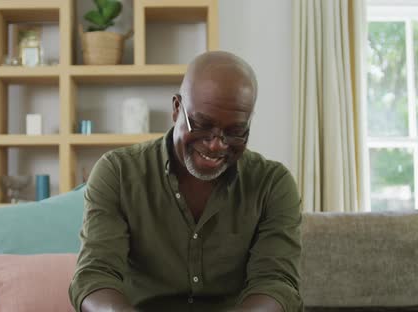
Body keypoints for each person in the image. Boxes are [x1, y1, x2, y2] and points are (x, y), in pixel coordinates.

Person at [69, 51, 303, 312]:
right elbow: (95, 276)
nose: (216, 144)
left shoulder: (273, 184)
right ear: (177, 108)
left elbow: (276, 283)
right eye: (202, 125)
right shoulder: (119, 173)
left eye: (235, 132)